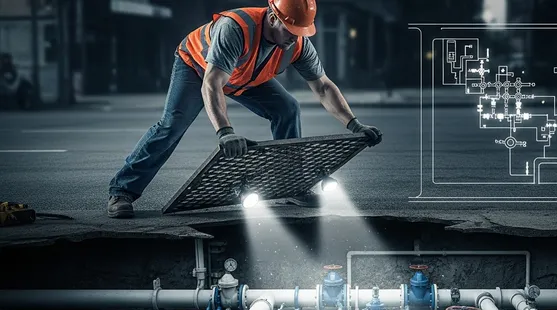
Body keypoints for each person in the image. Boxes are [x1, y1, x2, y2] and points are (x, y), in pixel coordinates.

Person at [107, 0, 382, 218]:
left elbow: (322, 86)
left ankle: (292, 184)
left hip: (245, 76)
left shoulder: (297, 43)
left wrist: (354, 124)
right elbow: (212, 83)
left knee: (287, 109)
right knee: (172, 125)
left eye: (300, 32)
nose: (294, 37)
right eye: (291, 30)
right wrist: (225, 131)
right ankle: (123, 192)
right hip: (198, 67)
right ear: (273, 17)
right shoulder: (236, 28)